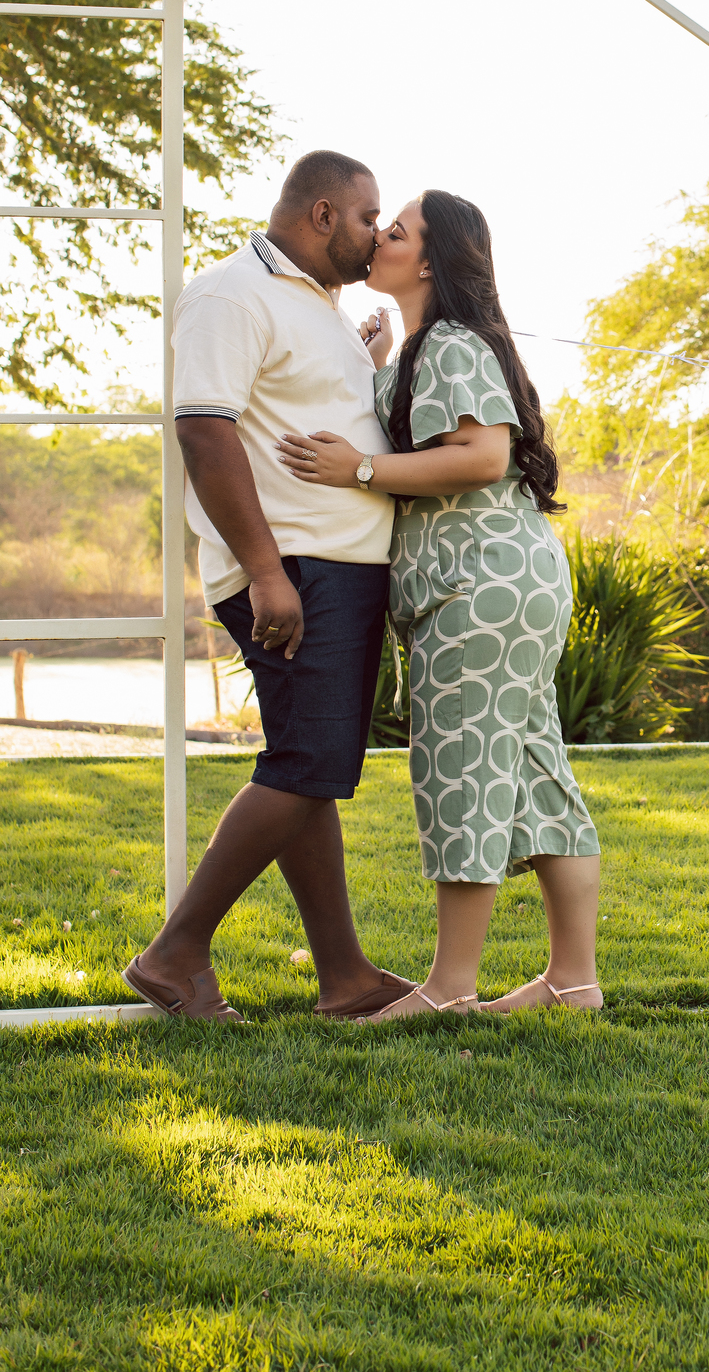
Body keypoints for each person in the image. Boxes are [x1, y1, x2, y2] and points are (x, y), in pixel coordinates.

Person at [275, 189, 602, 1018]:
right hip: (505, 580)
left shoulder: (451, 344)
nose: (377, 237)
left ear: (427, 259)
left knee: (463, 769)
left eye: (395, 230)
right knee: (530, 770)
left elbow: (482, 456)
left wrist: (357, 468)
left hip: (477, 587)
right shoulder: (434, 346)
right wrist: (380, 360)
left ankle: (451, 988)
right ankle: (573, 983)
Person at [122, 150, 417, 1023]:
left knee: (309, 770)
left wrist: (367, 358)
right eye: (368, 219)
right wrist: (262, 572)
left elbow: (295, 412)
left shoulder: (319, 306)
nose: (376, 237)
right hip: (294, 570)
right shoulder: (229, 293)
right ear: (323, 215)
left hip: (328, 566)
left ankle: (346, 978)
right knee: (305, 766)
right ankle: (175, 955)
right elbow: (205, 432)